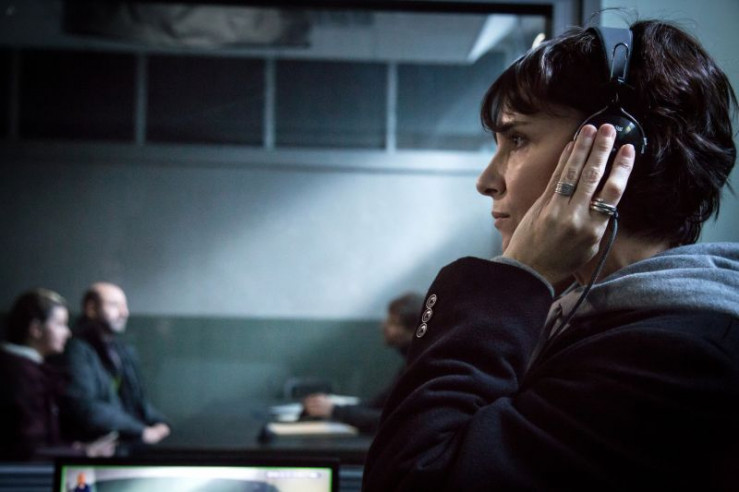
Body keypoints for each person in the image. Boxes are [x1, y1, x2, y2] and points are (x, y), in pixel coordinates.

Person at [363, 19, 739, 491]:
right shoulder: (589, 324)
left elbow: (411, 479)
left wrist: (517, 275)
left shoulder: (681, 361)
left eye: (517, 140)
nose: (486, 181)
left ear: (616, 151)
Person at [0, 289, 116, 460]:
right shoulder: (20, 376)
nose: (67, 333)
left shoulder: (28, 369)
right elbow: (28, 450)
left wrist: (76, 448)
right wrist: (85, 452)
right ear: (36, 329)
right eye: (60, 324)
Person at [60, 282, 170, 445]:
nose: (124, 313)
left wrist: (160, 422)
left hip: (122, 445)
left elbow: (136, 400)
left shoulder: (121, 350)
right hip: (94, 448)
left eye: (125, 306)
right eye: (114, 305)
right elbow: (84, 407)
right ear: (91, 309)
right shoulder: (76, 349)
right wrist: (140, 431)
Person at [301, 292, 424, 434]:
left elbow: (393, 421)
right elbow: (378, 404)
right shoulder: (410, 363)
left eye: (393, 323)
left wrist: (334, 410)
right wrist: (330, 407)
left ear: (413, 330)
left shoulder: (419, 368)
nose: (383, 326)